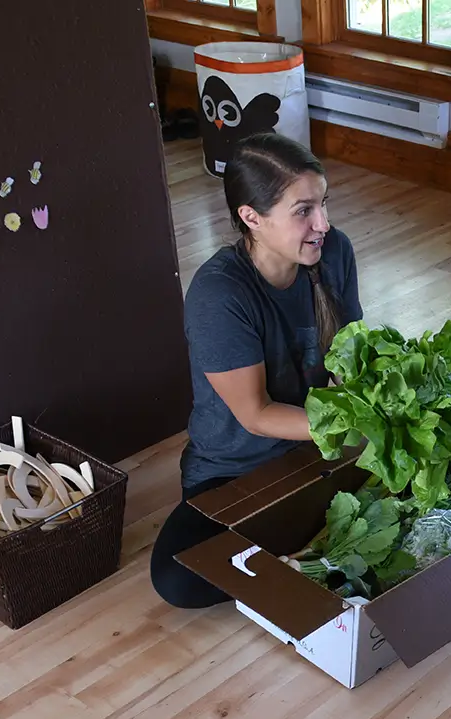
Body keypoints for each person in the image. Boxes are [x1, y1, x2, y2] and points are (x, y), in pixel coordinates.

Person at [150, 132, 364, 609]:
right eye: (303, 210)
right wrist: (356, 423)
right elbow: (256, 415)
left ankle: (299, 550)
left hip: (317, 454)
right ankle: (309, 547)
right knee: (176, 580)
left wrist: (377, 409)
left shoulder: (334, 253)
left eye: (324, 203)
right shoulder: (219, 295)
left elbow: (351, 359)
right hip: (238, 470)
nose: (323, 223)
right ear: (251, 217)